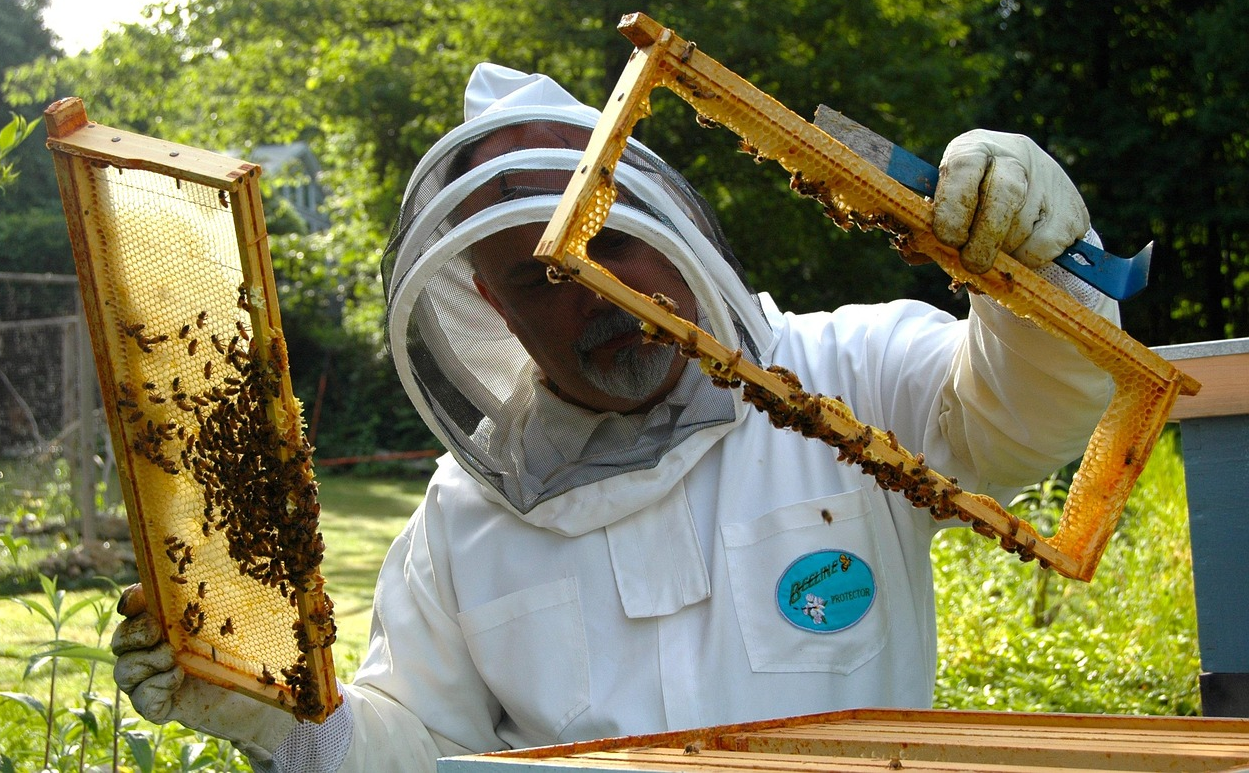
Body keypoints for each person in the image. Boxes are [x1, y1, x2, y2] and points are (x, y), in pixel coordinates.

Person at [112, 63, 1117, 772]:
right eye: (542, 278)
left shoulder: (841, 372)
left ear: (664, 220)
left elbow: (1026, 415)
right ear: (495, 307)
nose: (593, 293)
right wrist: (286, 716)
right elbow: (417, 751)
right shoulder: (463, 523)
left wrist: (1035, 273)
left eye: (608, 245)